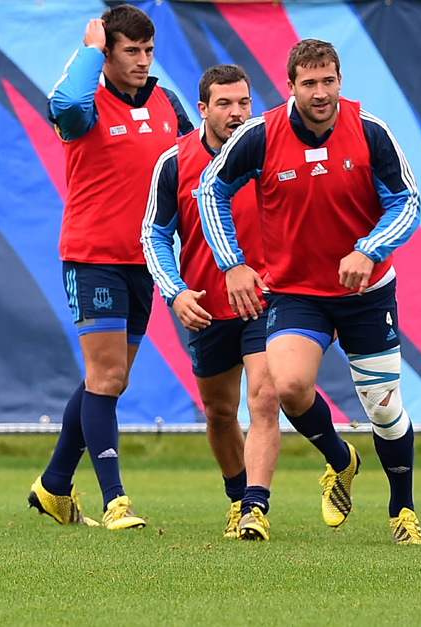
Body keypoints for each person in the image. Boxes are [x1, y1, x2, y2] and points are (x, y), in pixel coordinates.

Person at [197, 39, 421, 545]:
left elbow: (408, 202)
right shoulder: (260, 135)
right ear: (291, 86)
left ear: (340, 81)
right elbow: (209, 189)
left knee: (384, 411)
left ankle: (402, 510)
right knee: (290, 387)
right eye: (309, 83)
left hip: (366, 292)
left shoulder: (371, 132)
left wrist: (369, 248)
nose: (320, 93)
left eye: (328, 81)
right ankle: (342, 461)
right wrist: (232, 264)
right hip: (297, 293)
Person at [29, 6, 194, 531]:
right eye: (131, 51)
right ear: (106, 52)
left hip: (145, 262)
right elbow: (67, 100)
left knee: (110, 381)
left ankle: (54, 485)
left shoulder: (167, 102)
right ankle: (115, 501)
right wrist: (88, 46)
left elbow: (194, 168)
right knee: (106, 376)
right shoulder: (84, 106)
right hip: (92, 257)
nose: (144, 61)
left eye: (149, 51)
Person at [141, 65, 281, 541]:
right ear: (202, 109)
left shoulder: (268, 150)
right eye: (225, 104)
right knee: (220, 413)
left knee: (264, 399)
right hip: (205, 307)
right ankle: (237, 496)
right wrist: (176, 292)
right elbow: (154, 236)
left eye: (244, 102)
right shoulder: (174, 162)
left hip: (265, 302)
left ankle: (255, 508)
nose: (237, 113)